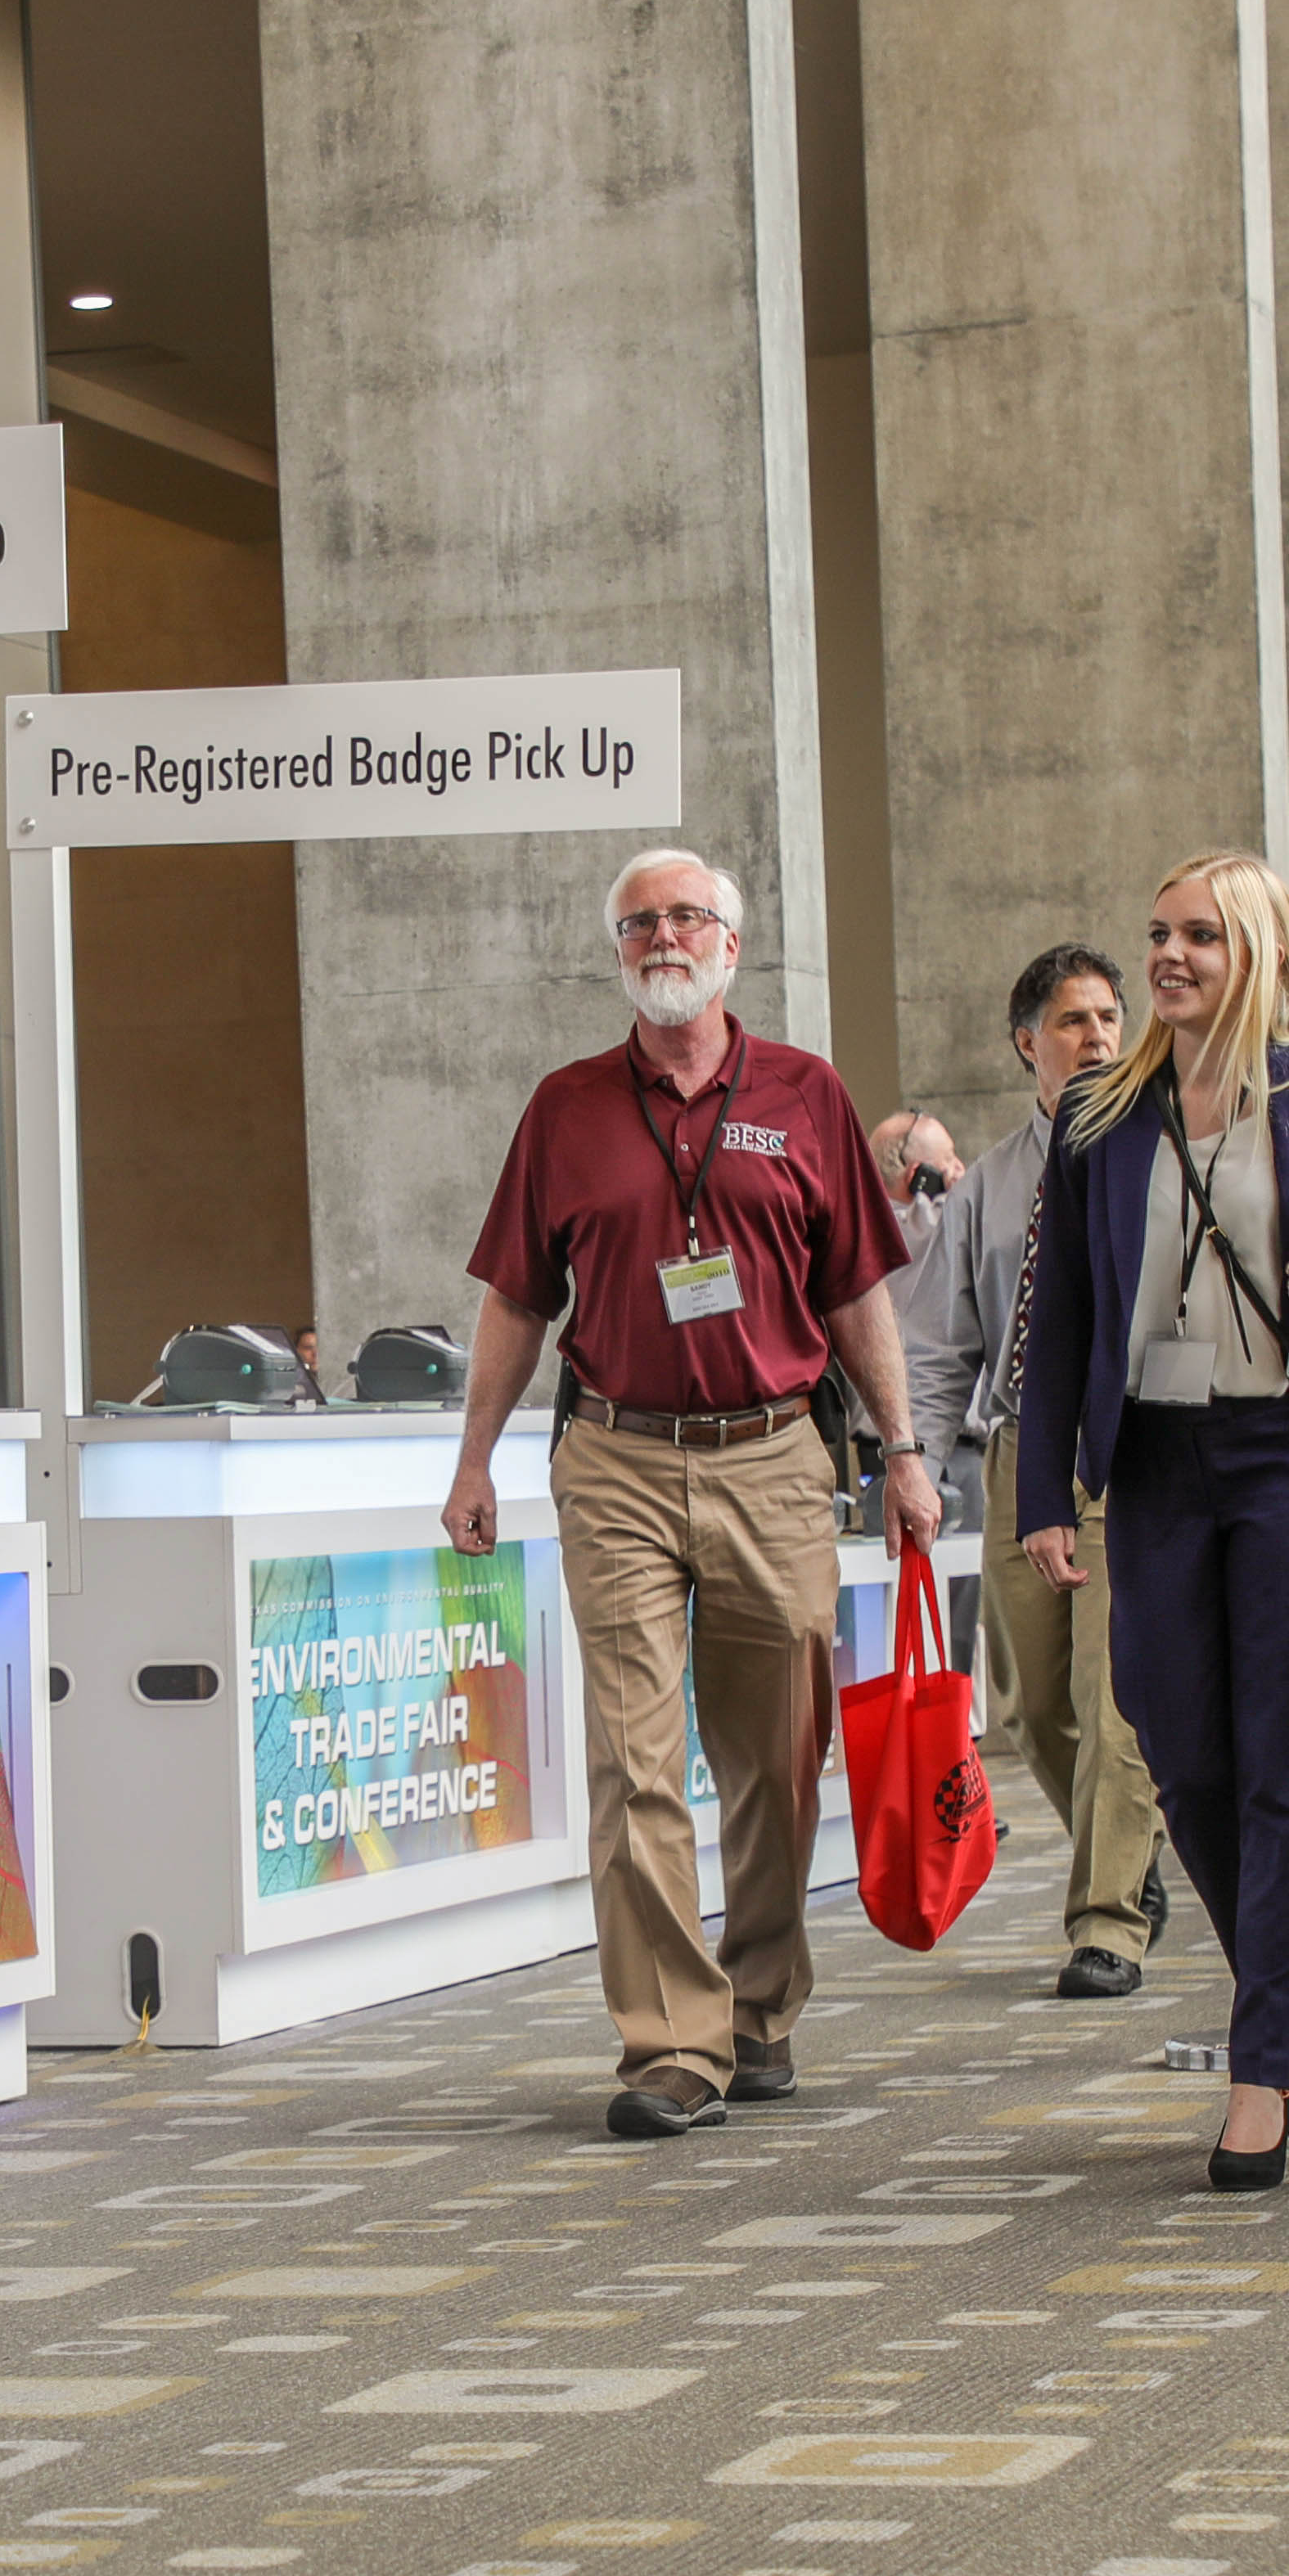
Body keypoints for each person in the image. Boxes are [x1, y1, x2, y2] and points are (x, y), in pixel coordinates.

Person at [450, 848, 940, 2140]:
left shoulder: (805, 1095)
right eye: (639, 923)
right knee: (632, 1761)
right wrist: (475, 1458)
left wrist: (902, 1450)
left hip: (775, 1452)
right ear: (618, 951)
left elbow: (854, 1295)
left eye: (685, 917)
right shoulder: (563, 1110)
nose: (662, 937)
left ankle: (763, 2004)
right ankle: (672, 2039)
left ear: (731, 941)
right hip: (613, 1454)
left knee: (775, 1758)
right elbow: (516, 1297)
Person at [1004, 853, 1289, 2191]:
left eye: (1200, 934)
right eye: (1158, 934)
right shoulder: (1103, 1106)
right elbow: (1064, 1319)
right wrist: (1045, 1495)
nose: (1171, 957)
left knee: (1280, 1762)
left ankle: (1264, 2062)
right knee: (1176, 1744)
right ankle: (1288, 1999)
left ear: (1257, 947)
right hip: (1155, 1463)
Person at [905, 942, 1170, 1996]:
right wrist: (916, 1466)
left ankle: (1106, 1920)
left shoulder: (1159, 1148)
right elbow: (939, 1346)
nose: (1100, 1036)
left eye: (1111, 1016)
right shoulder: (991, 1187)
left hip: (1128, 1446)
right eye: (1074, 1021)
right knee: (1029, 1705)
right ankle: (1126, 1852)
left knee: (1117, 1699)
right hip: (1023, 1448)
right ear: (1028, 1043)